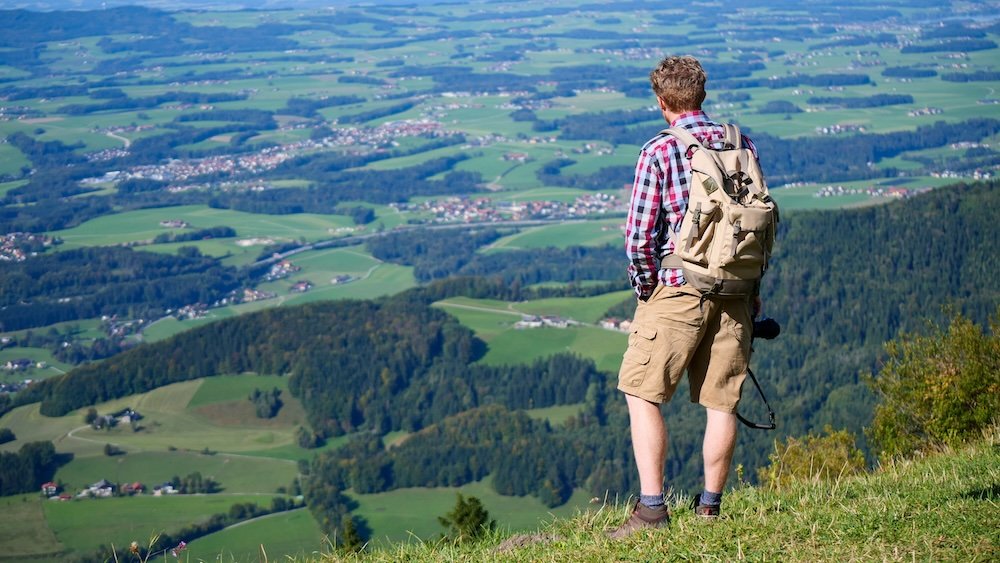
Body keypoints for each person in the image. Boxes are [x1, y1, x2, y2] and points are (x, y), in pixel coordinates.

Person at [609, 55, 763, 538]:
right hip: (737, 289)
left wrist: (647, 290)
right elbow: (755, 223)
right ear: (702, 94)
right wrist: (753, 290)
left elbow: (638, 239)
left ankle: (653, 511)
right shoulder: (740, 143)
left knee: (641, 392)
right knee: (722, 402)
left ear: (661, 102)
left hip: (676, 290)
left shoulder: (658, 151)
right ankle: (710, 510)